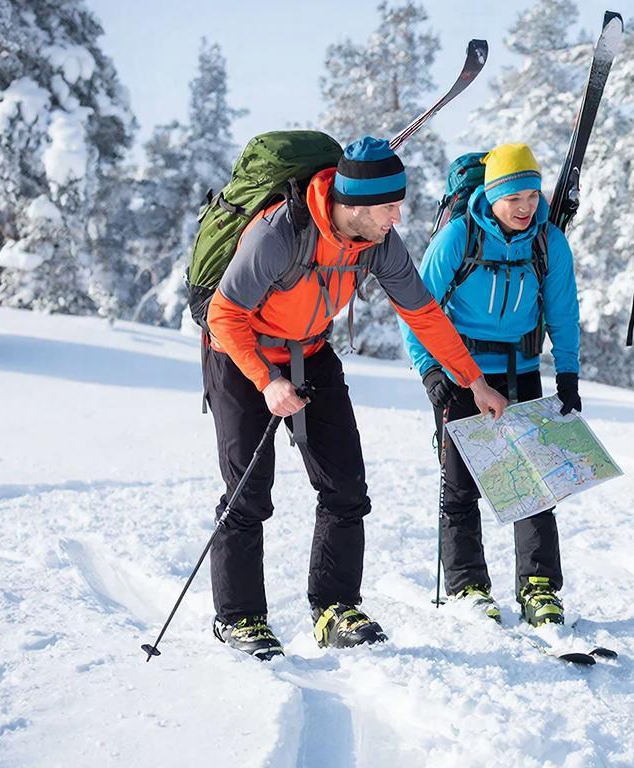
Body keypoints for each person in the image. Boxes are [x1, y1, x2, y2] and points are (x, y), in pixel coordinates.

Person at [204, 135, 506, 660]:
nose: (397, 216)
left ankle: (334, 608)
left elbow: (424, 313)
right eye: (389, 206)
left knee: (346, 487)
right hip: (241, 352)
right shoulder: (278, 234)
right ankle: (240, 617)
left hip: (312, 352)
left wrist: (473, 379)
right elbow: (223, 314)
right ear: (358, 205)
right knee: (247, 491)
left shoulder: (381, 245)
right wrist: (266, 380)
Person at [401, 143, 581, 627]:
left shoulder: (548, 241)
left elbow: (563, 313)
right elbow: (417, 309)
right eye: (513, 198)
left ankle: (539, 587)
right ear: (491, 195)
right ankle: (468, 586)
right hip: (461, 370)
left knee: (534, 482)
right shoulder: (458, 238)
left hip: (521, 369)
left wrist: (567, 374)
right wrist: (430, 371)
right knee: (460, 485)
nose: (524, 207)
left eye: (531, 195)